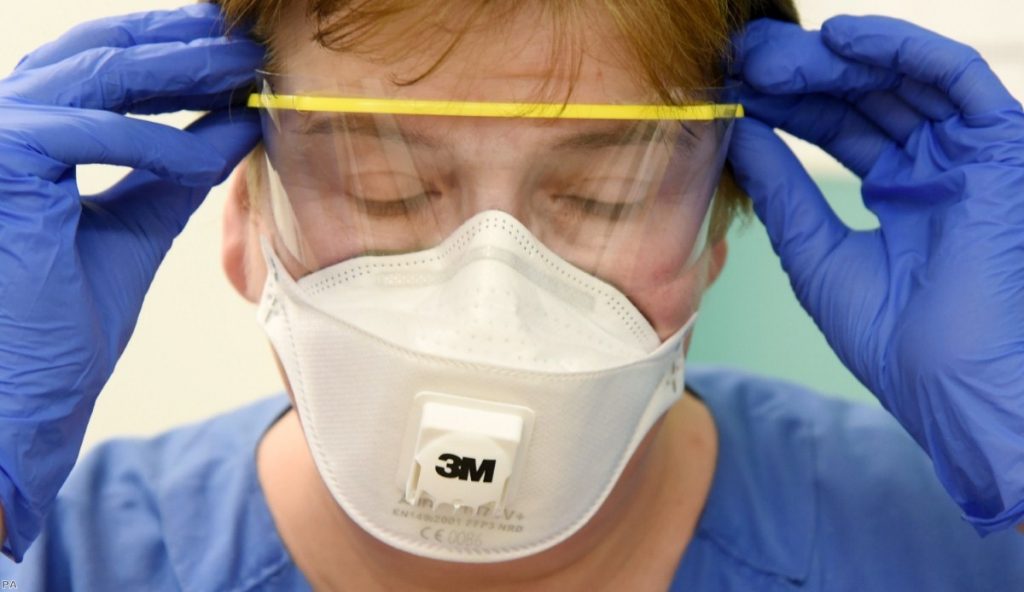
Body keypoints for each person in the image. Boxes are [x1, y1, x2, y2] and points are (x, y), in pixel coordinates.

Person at [0, 0, 1022, 590]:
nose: (491, 288)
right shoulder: (72, 562)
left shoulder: (934, 545)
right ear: (242, 217)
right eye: (385, 185)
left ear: (718, 231)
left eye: (597, 191)